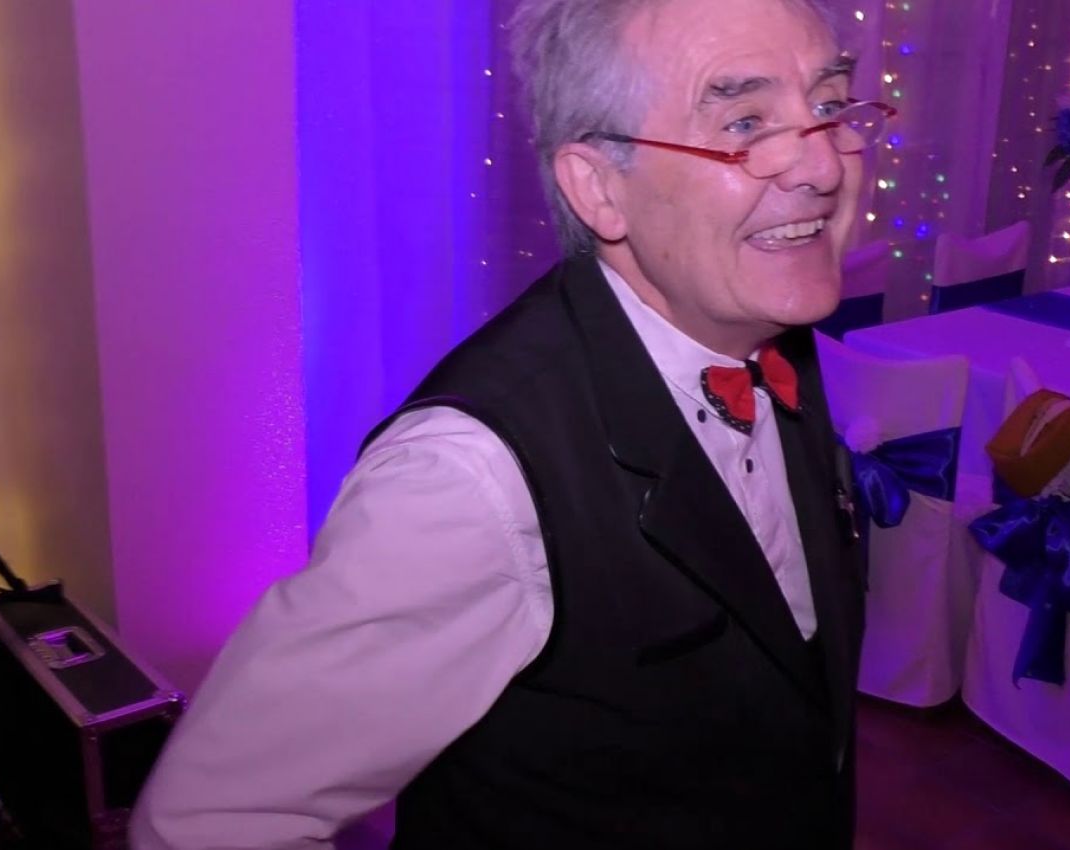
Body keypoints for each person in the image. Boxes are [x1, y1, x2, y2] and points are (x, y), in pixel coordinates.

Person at [132, 0, 888, 846]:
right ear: (600, 188)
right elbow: (207, 823)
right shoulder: (466, 481)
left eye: (828, 106)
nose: (822, 165)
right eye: (745, 123)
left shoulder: (764, 324)